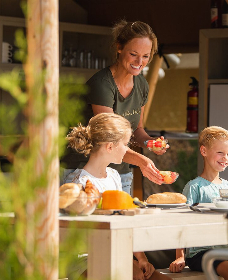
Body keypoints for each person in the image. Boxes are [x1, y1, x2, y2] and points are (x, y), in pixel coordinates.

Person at [62, 19, 168, 194]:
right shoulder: (102, 85)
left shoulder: (141, 84)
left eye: (145, 56)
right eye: (133, 54)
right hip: (84, 171)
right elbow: (108, 139)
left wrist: (150, 143)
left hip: (119, 172)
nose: (139, 61)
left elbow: (137, 129)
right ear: (119, 47)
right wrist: (142, 161)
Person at [65, 113, 172, 280]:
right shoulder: (81, 183)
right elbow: (79, 237)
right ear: (110, 147)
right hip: (85, 259)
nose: (127, 149)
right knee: (134, 274)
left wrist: (141, 259)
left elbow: (124, 224)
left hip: (113, 251)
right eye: (125, 144)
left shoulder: (114, 176)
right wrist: (126, 262)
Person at [169, 126, 228, 280]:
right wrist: (180, 256)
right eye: (220, 153)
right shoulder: (194, 187)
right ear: (204, 151)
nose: (226, 158)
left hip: (225, 250)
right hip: (200, 253)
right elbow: (181, 222)